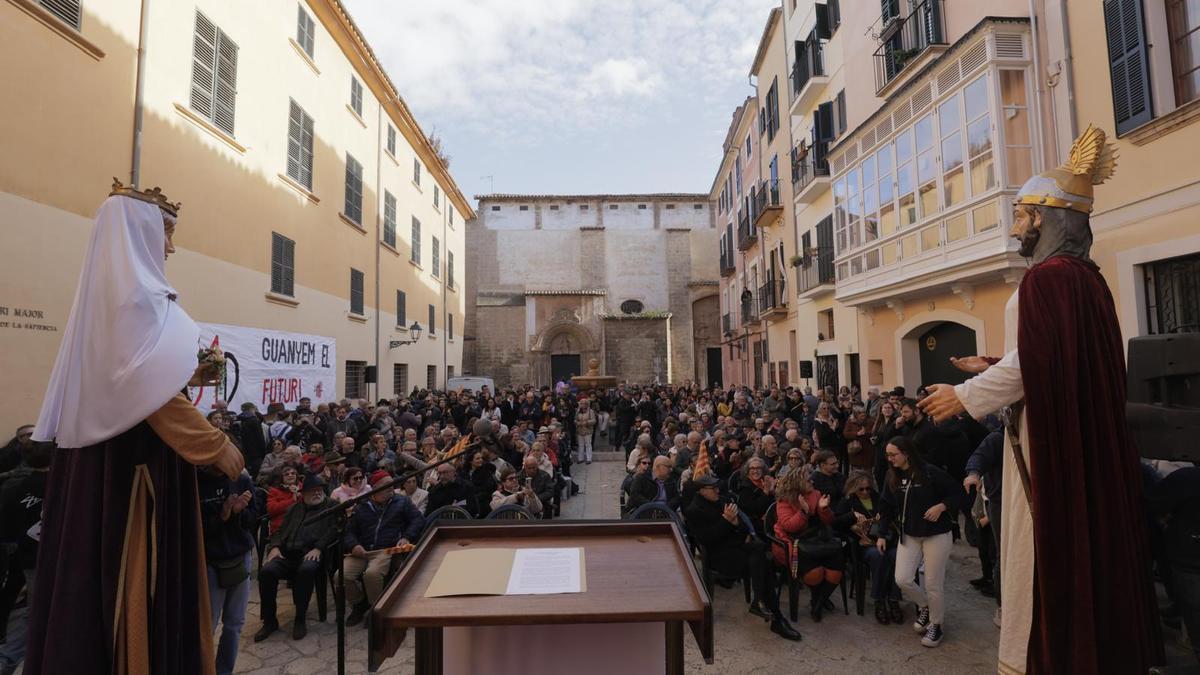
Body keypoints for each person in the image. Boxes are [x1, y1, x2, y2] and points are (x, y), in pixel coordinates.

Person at [918, 126, 1162, 673]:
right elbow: (1051, 354)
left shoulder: (1047, 281)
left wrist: (966, 395)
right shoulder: (1086, 280)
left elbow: (1037, 363)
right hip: (1078, 438)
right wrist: (992, 364)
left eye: (1023, 216)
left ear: (1046, 219)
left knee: (1040, 556)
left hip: (1048, 448)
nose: (1015, 227)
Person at [26, 185, 245, 674]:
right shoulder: (136, 299)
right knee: (137, 589)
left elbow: (130, 380)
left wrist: (186, 374)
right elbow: (147, 391)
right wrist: (213, 445)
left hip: (103, 467)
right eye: (165, 233)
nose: (170, 247)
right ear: (137, 234)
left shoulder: (107, 300)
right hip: (135, 475)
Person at [684, 473, 801, 641]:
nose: (717, 490)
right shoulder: (694, 510)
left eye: (717, 487)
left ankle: (764, 606)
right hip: (720, 556)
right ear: (702, 491)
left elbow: (745, 527)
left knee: (761, 553)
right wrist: (726, 521)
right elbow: (706, 540)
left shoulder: (723, 501)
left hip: (738, 548)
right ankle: (774, 615)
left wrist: (735, 524)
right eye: (713, 488)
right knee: (764, 562)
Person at [876, 437, 959, 648]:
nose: (890, 458)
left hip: (937, 534)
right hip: (910, 534)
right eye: (888, 455)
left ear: (906, 452)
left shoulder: (929, 472)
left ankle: (936, 625)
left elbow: (957, 492)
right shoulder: (891, 475)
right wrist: (881, 534)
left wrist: (942, 506)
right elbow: (885, 506)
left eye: (893, 454)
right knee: (902, 579)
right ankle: (925, 606)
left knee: (933, 583)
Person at [255, 473, 338, 642]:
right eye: (312, 491)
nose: (317, 494)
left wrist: (318, 548)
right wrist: (275, 547)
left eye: (319, 490)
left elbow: (333, 531)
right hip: (288, 553)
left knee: (306, 570)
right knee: (266, 571)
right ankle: (270, 620)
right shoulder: (295, 508)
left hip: (312, 553)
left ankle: (300, 617)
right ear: (303, 493)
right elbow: (279, 531)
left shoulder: (332, 506)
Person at [198, 465, 258, 675]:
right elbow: (195, 528)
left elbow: (253, 518)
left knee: (234, 623)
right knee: (208, 623)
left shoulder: (240, 480)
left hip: (240, 556)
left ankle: (224, 671)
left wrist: (237, 514)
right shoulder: (195, 482)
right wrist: (222, 517)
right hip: (210, 560)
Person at [342, 476, 425, 627]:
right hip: (361, 550)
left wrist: (407, 537)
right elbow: (349, 531)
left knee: (372, 574)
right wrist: (353, 545)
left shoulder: (402, 501)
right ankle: (359, 605)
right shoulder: (362, 505)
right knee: (342, 574)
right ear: (375, 488)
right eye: (386, 485)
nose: (391, 487)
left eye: (392, 484)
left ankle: (377, 609)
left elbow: (417, 519)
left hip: (385, 550)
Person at [0, 441, 50, 675]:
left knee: (33, 608)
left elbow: (7, 525)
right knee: (36, 610)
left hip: (29, 559)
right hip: (54, 560)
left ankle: (9, 659)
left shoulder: (17, 487)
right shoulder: (62, 486)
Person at [771, 468, 842, 622]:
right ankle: (819, 602)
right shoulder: (784, 500)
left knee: (835, 572)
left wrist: (824, 509)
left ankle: (818, 601)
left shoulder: (815, 494)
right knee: (816, 573)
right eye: (808, 480)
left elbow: (829, 521)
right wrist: (803, 512)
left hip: (817, 539)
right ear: (797, 483)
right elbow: (789, 526)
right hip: (794, 542)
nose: (812, 481)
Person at [835, 471, 902, 625]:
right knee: (878, 556)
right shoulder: (848, 502)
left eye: (868, 488)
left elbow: (894, 512)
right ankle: (879, 600)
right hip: (863, 545)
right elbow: (835, 522)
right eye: (861, 489)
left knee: (896, 556)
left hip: (885, 539)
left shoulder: (879, 498)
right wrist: (852, 517)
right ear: (853, 489)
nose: (865, 492)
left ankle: (893, 599)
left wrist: (884, 517)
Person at [265, 465, 301, 534]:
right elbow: (271, 509)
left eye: (293, 473)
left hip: (300, 526)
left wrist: (299, 495)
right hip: (280, 528)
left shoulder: (303, 488)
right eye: (286, 474)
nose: (290, 475)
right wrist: (292, 500)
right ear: (282, 478)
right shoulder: (274, 491)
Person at [575, 398, 597, 464]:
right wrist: (577, 422)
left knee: (588, 445)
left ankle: (589, 459)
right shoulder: (578, 411)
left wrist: (587, 422)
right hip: (580, 430)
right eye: (581, 403)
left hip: (588, 430)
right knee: (580, 445)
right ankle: (580, 458)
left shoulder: (591, 411)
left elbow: (594, 420)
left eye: (584, 403)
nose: (583, 405)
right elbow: (575, 420)